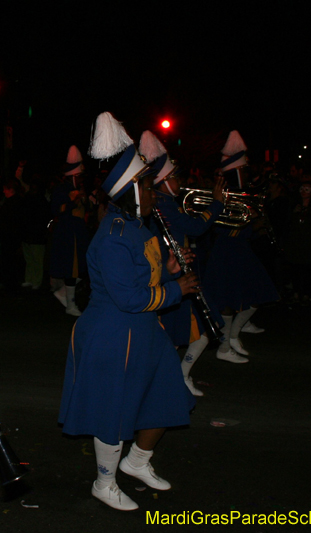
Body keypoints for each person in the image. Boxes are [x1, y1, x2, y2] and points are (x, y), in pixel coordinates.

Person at [59, 112, 198, 511]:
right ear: (132, 191)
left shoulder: (138, 227)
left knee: (168, 397)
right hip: (113, 334)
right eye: (149, 187)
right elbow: (130, 298)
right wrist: (176, 289)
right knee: (112, 410)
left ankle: (137, 461)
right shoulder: (113, 236)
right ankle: (104, 483)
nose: (154, 194)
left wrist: (170, 269)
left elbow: (146, 276)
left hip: (144, 331)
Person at [139, 130, 225, 397]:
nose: (180, 182)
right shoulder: (164, 204)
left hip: (177, 273)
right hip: (173, 275)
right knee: (190, 331)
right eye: (175, 177)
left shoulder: (167, 202)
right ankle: (176, 377)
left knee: (190, 331)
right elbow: (196, 227)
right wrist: (217, 205)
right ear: (163, 181)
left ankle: (176, 376)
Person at [203, 131, 279, 363]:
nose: (247, 173)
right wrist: (251, 222)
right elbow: (222, 228)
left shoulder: (242, 193)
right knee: (227, 301)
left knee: (259, 293)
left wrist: (256, 225)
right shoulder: (226, 193)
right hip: (227, 250)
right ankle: (225, 346)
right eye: (243, 170)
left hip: (240, 249)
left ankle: (233, 336)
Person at [49, 145, 91, 316]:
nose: (81, 180)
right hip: (68, 233)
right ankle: (70, 305)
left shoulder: (80, 189)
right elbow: (56, 209)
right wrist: (73, 202)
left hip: (79, 232)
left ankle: (63, 294)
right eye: (79, 176)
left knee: (83, 267)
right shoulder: (61, 189)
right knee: (72, 269)